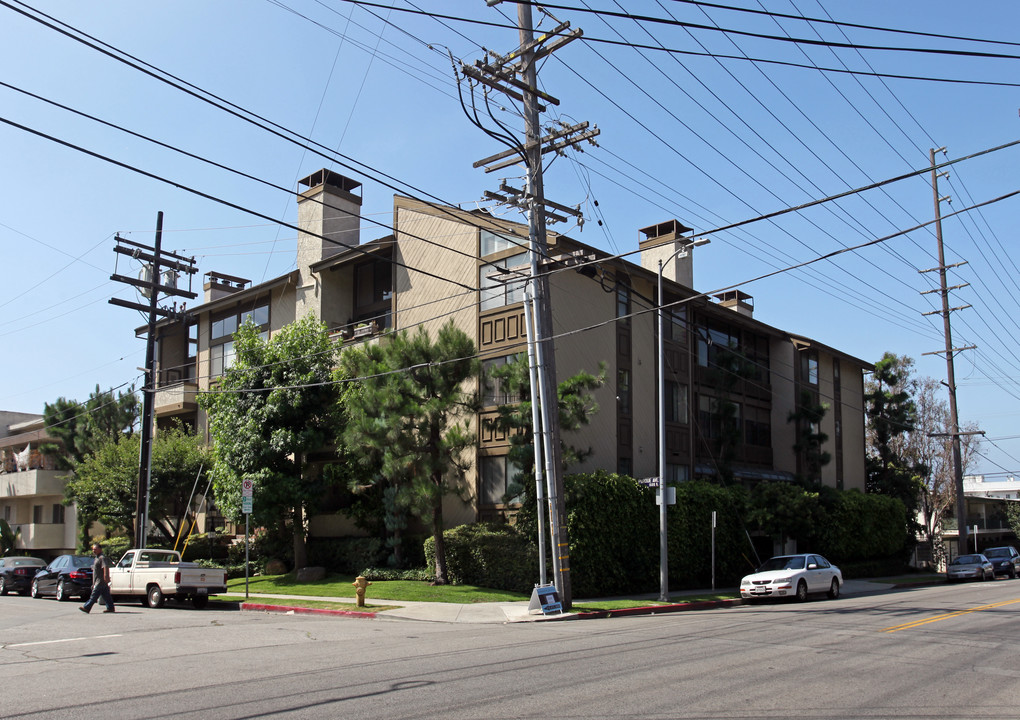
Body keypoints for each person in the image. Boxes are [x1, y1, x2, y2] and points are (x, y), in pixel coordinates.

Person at [80, 543, 115, 614]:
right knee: (106, 595)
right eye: (93, 549)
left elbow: (105, 567)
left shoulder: (102, 558)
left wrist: (106, 577)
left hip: (101, 581)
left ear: (100, 549)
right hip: (97, 580)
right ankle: (110, 607)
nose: (93, 551)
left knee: (94, 595)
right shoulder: (97, 558)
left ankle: (87, 607)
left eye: (95, 549)